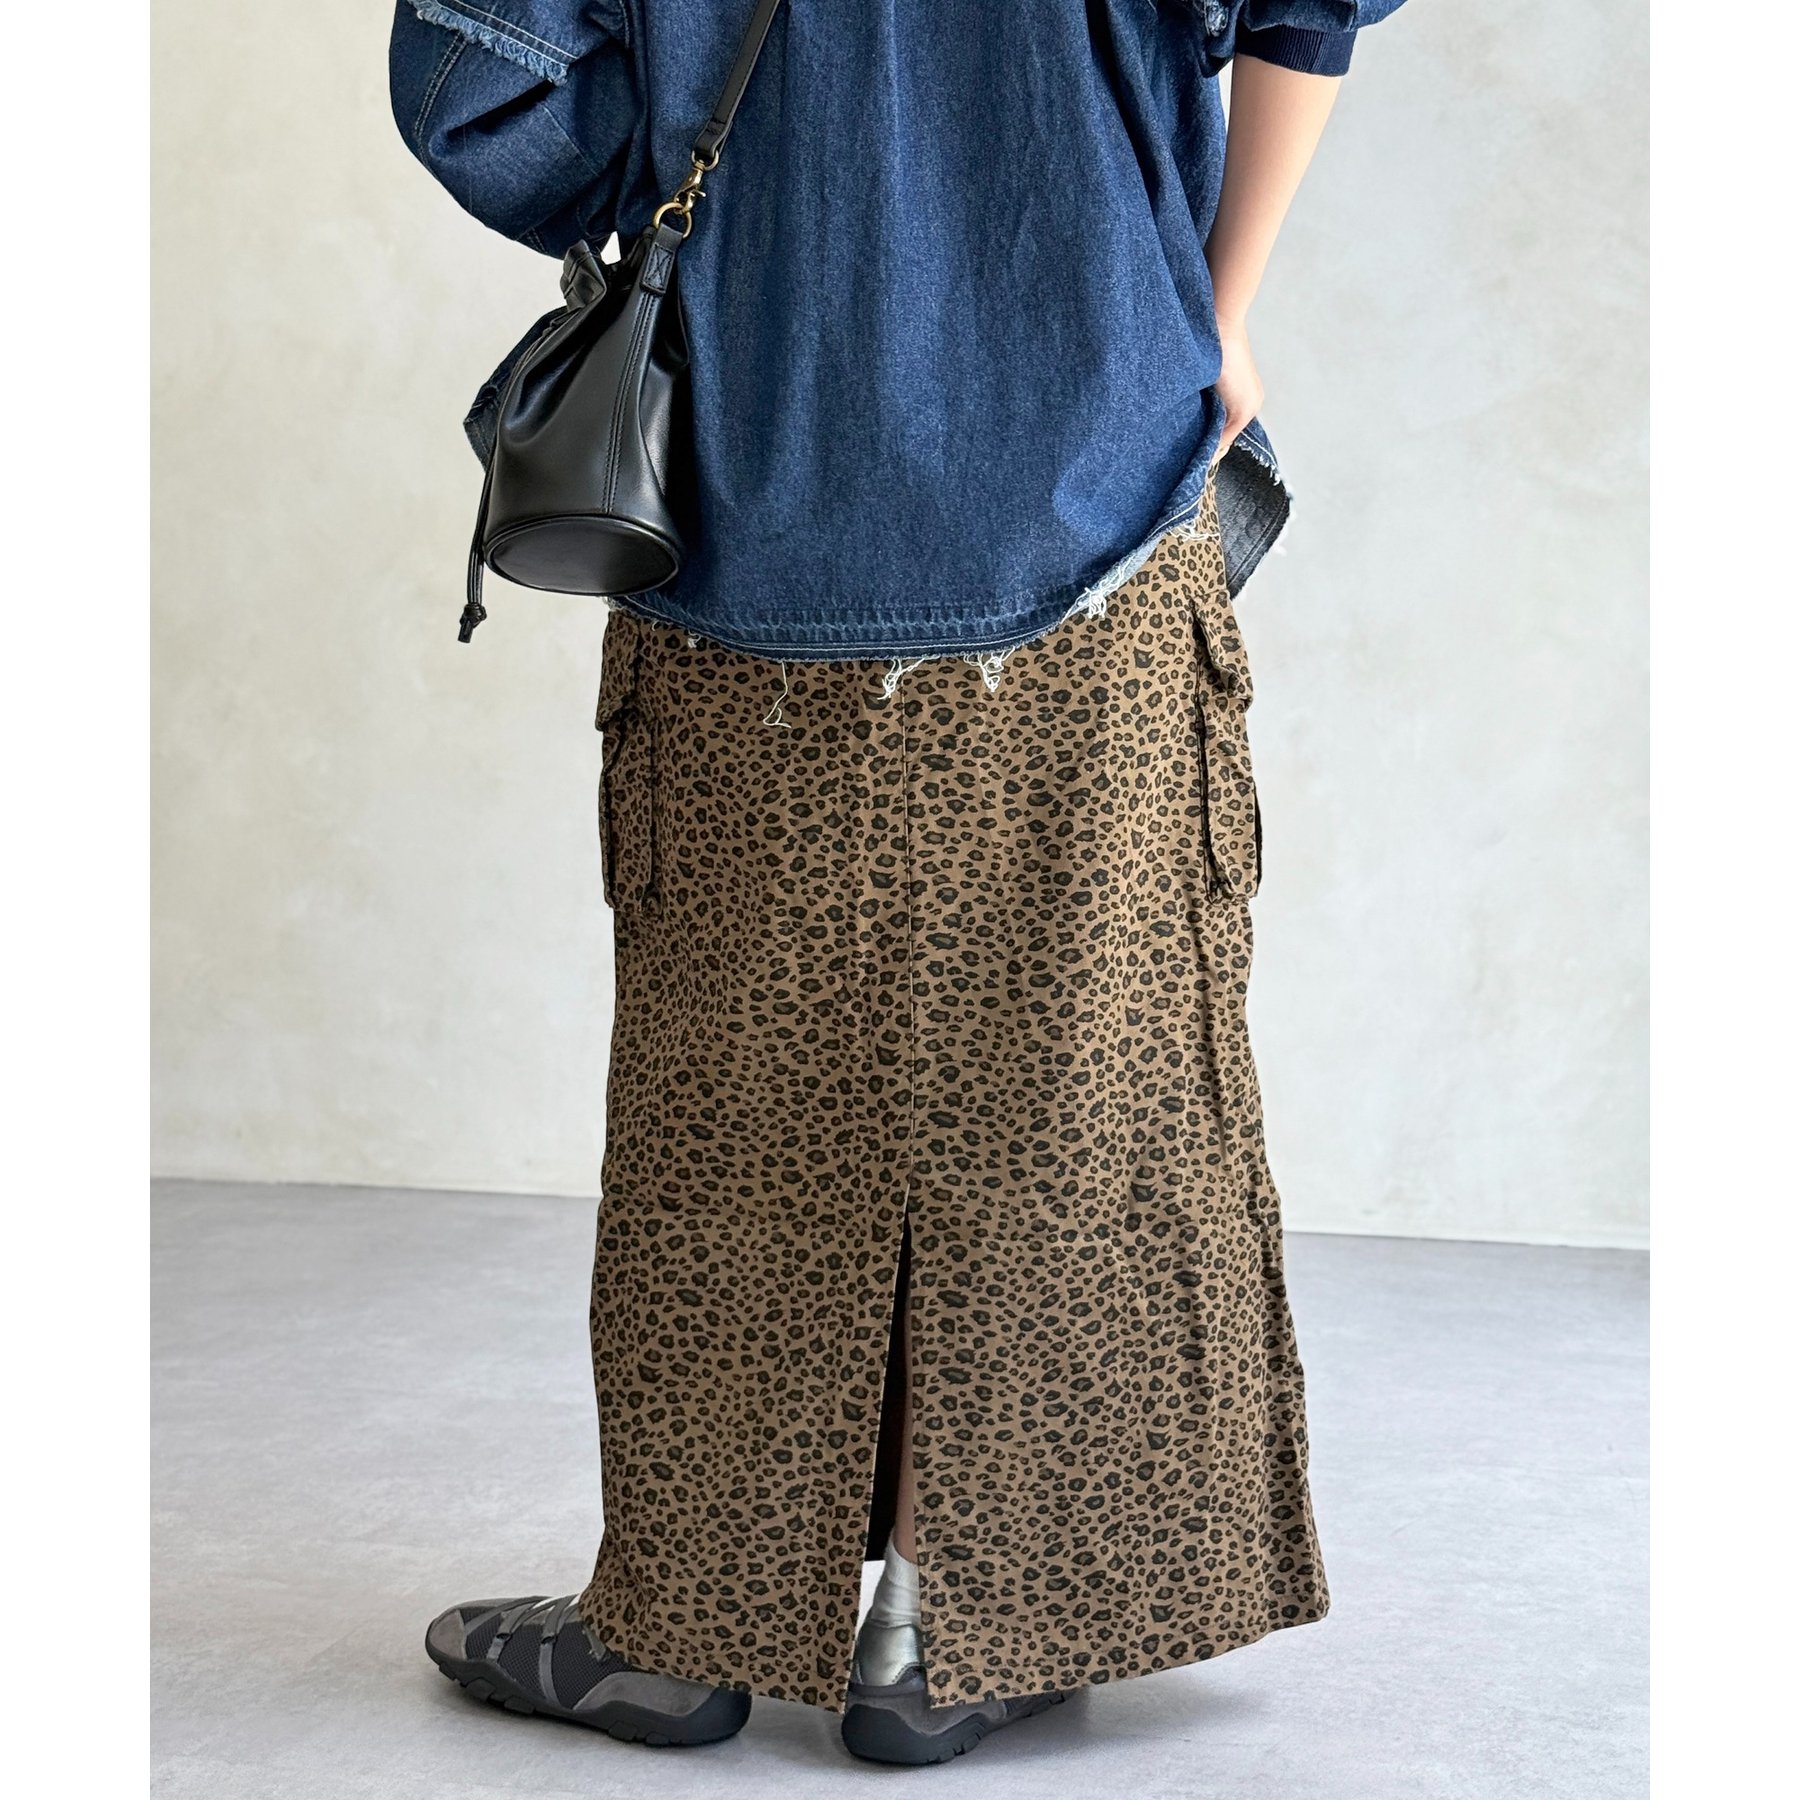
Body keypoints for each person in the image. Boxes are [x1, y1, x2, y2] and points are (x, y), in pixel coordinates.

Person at [389, 0, 1409, 1767]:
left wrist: (739, 173)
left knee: (736, 1110)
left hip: (753, 497)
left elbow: (479, 88)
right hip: (1086, 485)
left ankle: (681, 1627)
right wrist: (1218, 309)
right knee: (1062, 1101)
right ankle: (940, 1632)